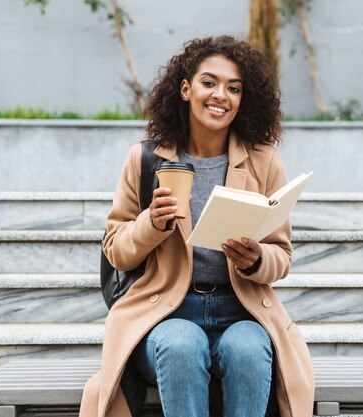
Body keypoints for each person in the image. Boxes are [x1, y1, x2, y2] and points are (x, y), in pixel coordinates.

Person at [79, 35, 314, 417]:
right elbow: (116, 250)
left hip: (241, 309)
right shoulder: (145, 159)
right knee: (182, 343)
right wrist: (151, 225)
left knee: (250, 348)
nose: (221, 95)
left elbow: (281, 256)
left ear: (243, 99)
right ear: (186, 89)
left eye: (233, 88)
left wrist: (255, 260)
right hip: (164, 312)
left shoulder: (264, 161)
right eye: (209, 83)